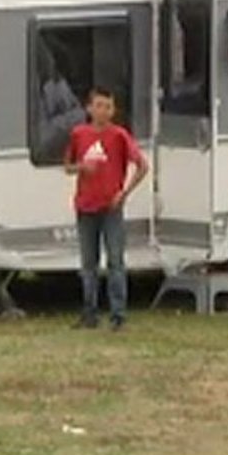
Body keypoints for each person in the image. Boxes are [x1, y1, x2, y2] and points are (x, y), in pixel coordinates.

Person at [64, 87, 149, 331]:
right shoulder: (79, 134)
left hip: (111, 208)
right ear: (89, 108)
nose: (103, 111)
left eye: (108, 107)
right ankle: (89, 313)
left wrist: (124, 192)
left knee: (115, 261)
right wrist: (82, 167)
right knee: (88, 264)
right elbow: (67, 166)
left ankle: (118, 315)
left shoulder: (119, 135)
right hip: (85, 206)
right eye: (99, 106)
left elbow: (142, 166)